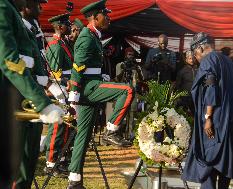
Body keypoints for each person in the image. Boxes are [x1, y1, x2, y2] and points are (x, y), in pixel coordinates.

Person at [67, 0, 134, 188]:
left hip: (92, 83)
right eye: (106, 15)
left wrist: (101, 74)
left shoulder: (94, 35)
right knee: (127, 90)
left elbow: (89, 64)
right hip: (88, 88)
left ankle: (74, 181)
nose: (109, 18)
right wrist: (73, 95)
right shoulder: (87, 36)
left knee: (84, 136)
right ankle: (111, 131)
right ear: (95, 17)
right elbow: (77, 66)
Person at [0, 0, 64, 187]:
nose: (40, 7)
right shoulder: (4, 8)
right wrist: (42, 102)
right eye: (36, 2)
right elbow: (10, 61)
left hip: (26, 94)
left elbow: (34, 60)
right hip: (14, 95)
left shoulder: (20, 19)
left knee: (28, 156)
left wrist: (47, 87)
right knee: (16, 163)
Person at [182, 32, 233, 189]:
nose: (196, 58)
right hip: (230, 119)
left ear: (201, 48)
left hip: (216, 119)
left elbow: (211, 87)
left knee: (208, 162)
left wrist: (208, 117)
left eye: (196, 54)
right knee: (225, 161)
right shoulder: (228, 61)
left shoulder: (208, 59)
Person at [44, 13, 73, 176]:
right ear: (60, 27)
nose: (70, 27)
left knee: (65, 125)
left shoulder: (62, 43)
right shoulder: (55, 45)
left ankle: (59, 160)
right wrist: (63, 87)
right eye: (67, 24)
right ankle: (50, 163)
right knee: (57, 126)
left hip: (66, 89)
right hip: (59, 90)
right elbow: (55, 74)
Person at [175, 50, 198, 114]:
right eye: (190, 58)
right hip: (185, 98)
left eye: (193, 58)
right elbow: (178, 85)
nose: (192, 60)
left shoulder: (199, 70)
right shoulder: (182, 71)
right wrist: (180, 97)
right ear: (186, 59)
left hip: (196, 97)